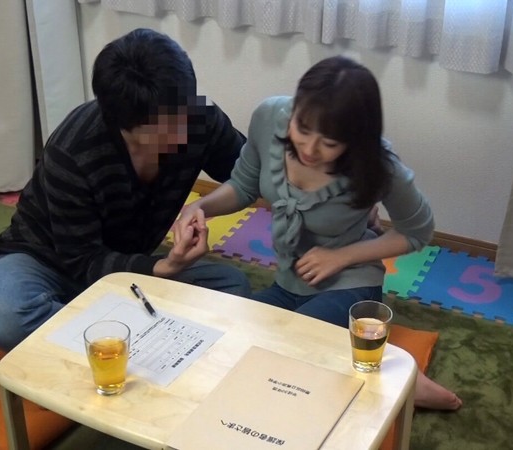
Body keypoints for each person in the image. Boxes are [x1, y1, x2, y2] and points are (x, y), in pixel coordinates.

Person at [176, 55, 461, 410]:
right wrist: (199, 208)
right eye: (303, 128)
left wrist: (340, 256)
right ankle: (364, 351)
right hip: (287, 283)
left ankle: (400, 377)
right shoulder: (269, 117)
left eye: (329, 142)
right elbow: (244, 185)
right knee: (229, 340)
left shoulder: (377, 162)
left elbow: (418, 230)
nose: (309, 149)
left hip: (349, 281)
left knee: (290, 355)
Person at [0, 28, 251, 351]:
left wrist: (200, 208)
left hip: (130, 263)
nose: (182, 132)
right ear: (123, 125)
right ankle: (134, 336)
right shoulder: (74, 152)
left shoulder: (200, 119)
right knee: (1, 316)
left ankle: (109, 333)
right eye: (165, 128)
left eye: (185, 114)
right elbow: (83, 260)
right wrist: (162, 268)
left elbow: (249, 172)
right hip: (49, 261)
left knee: (234, 288)